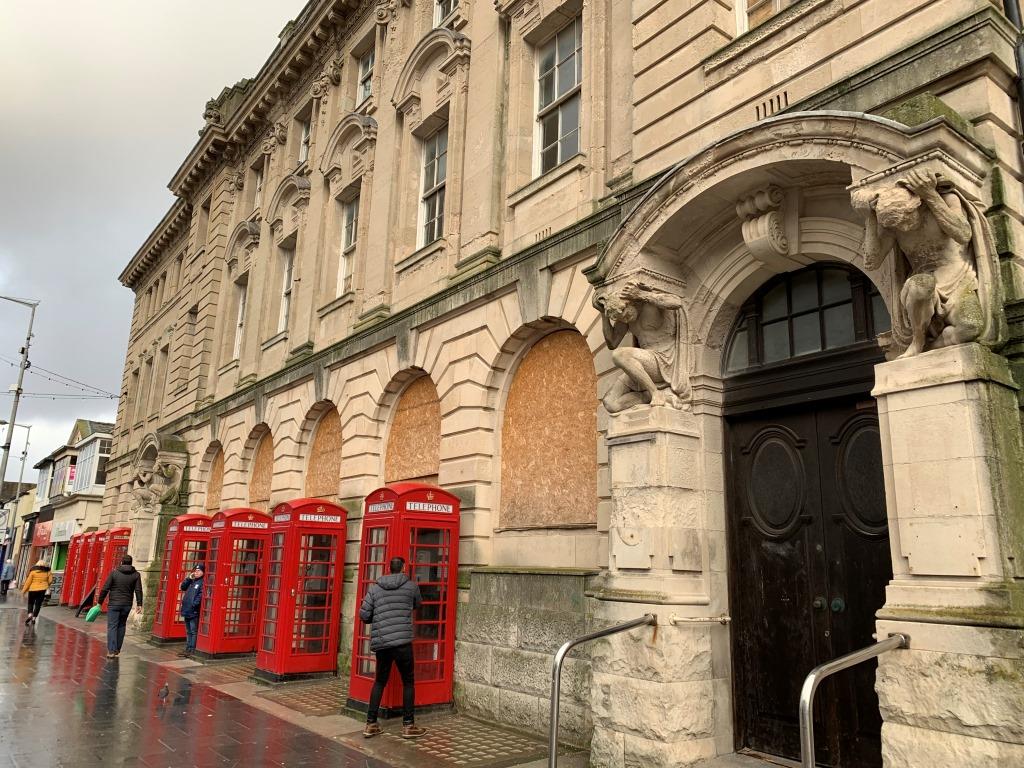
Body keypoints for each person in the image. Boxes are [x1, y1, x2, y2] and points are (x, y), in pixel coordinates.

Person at [359, 556, 426, 739]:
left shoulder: (375, 588)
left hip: (382, 642)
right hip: (403, 642)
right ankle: (408, 726)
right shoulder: (411, 586)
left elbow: (364, 615)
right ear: (404, 568)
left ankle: (371, 724)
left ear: (389, 568)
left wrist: (379, 616)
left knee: (380, 681)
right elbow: (418, 605)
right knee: (408, 682)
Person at [97, 554, 143, 659]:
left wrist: (100, 602)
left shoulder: (114, 573)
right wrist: (139, 604)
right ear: (131, 563)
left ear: (122, 562)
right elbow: (138, 590)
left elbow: (105, 588)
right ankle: (117, 648)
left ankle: (112, 650)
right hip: (127, 604)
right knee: (121, 625)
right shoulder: (136, 575)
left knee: (112, 626)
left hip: (114, 604)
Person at [178, 564, 204, 657]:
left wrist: (194, 605)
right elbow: (182, 587)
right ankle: (188, 648)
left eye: (198, 571)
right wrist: (189, 578)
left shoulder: (202, 582)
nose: (196, 572)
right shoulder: (192, 581)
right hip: (187, 609)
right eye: (195, 571)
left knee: (193, 631)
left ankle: (192, 649)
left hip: (193, 610)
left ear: (203, 572)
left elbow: (200, 595)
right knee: (188, 631)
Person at [21, 559, 52, 624]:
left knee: (30, 603)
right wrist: (45, 584)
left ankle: (30, 615)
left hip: (32, 589)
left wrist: (23, 591)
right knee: (38, 604)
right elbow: (50, 581)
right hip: (42, 590)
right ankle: (34, 618)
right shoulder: (48, 571)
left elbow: (28, 582)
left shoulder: (33, 571)